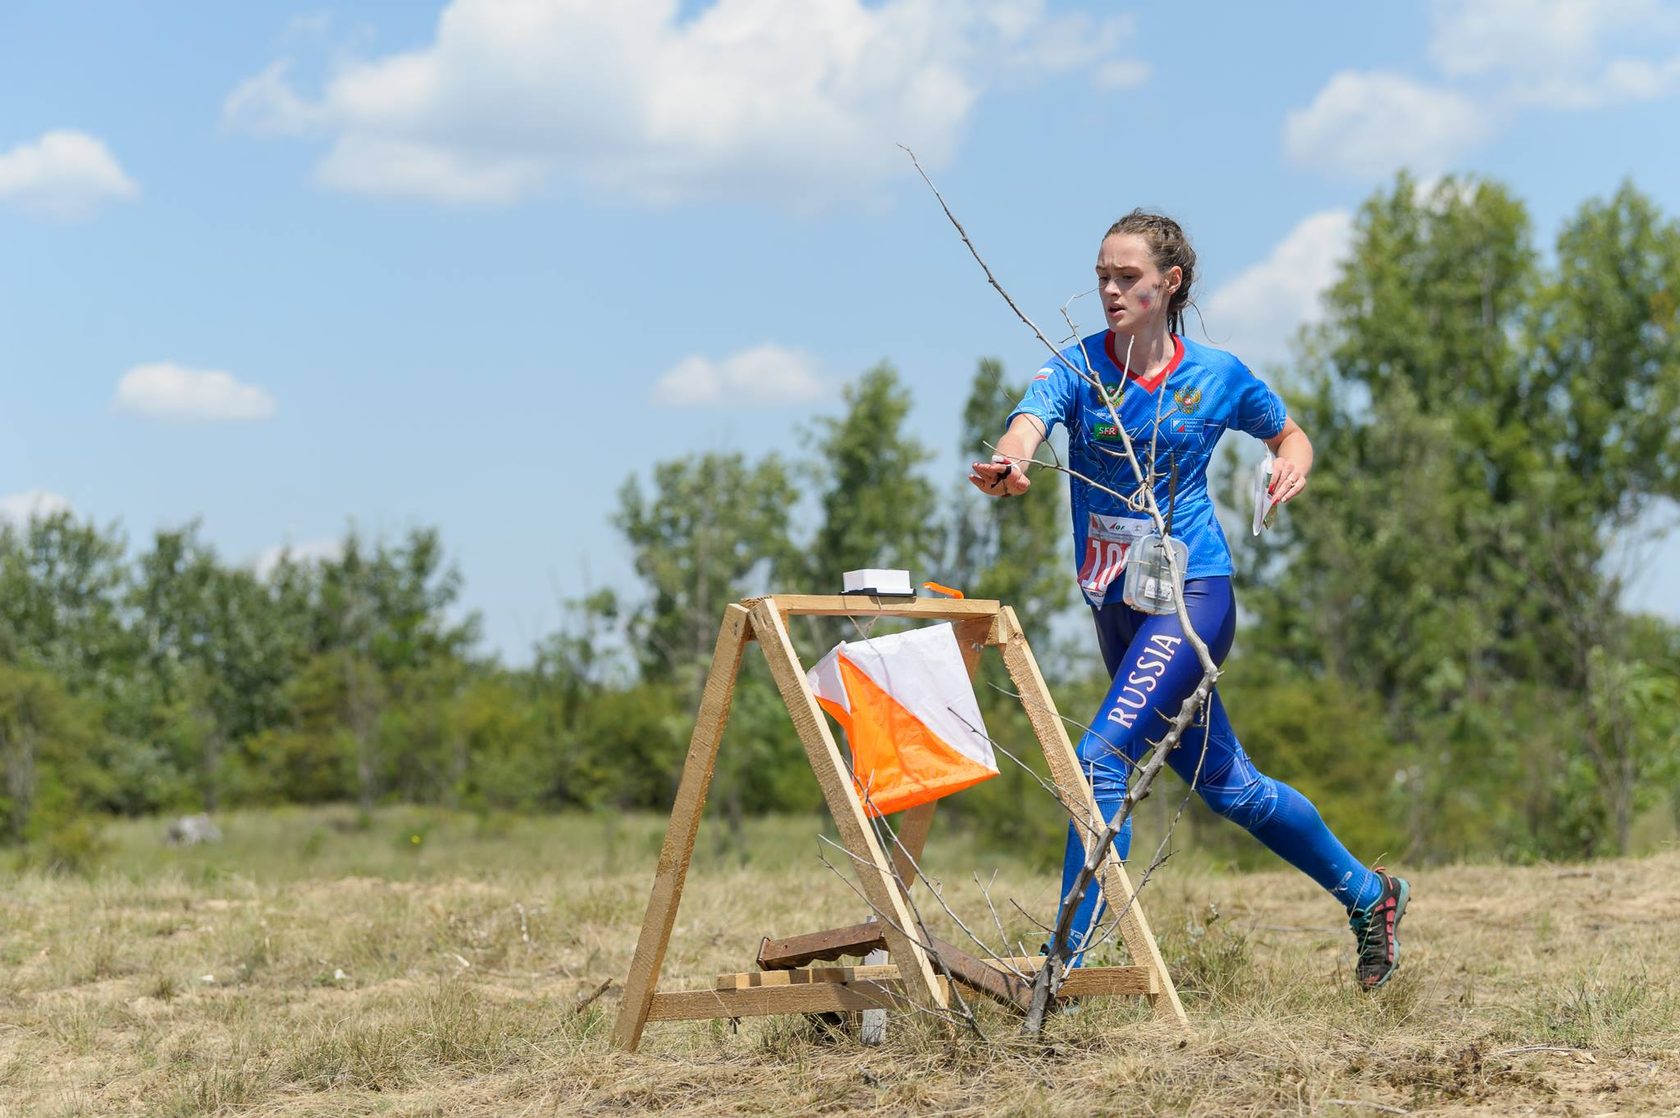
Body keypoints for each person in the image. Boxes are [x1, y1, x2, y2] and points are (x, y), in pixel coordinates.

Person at [968, 210, 1409, 991]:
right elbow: (1026, 426)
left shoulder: (1217, 375)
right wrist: (1011, 465)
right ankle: (1371, 897)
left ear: (1169, 284)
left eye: (1127, 277)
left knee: (1100, 760)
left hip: (1193, 596)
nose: (1109, 289)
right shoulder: (1074, 368)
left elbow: (1290, 433)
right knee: (1230, 786)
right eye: (1102, 274)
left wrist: (1288, 467)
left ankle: (1061, 972)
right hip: (1117, 605)